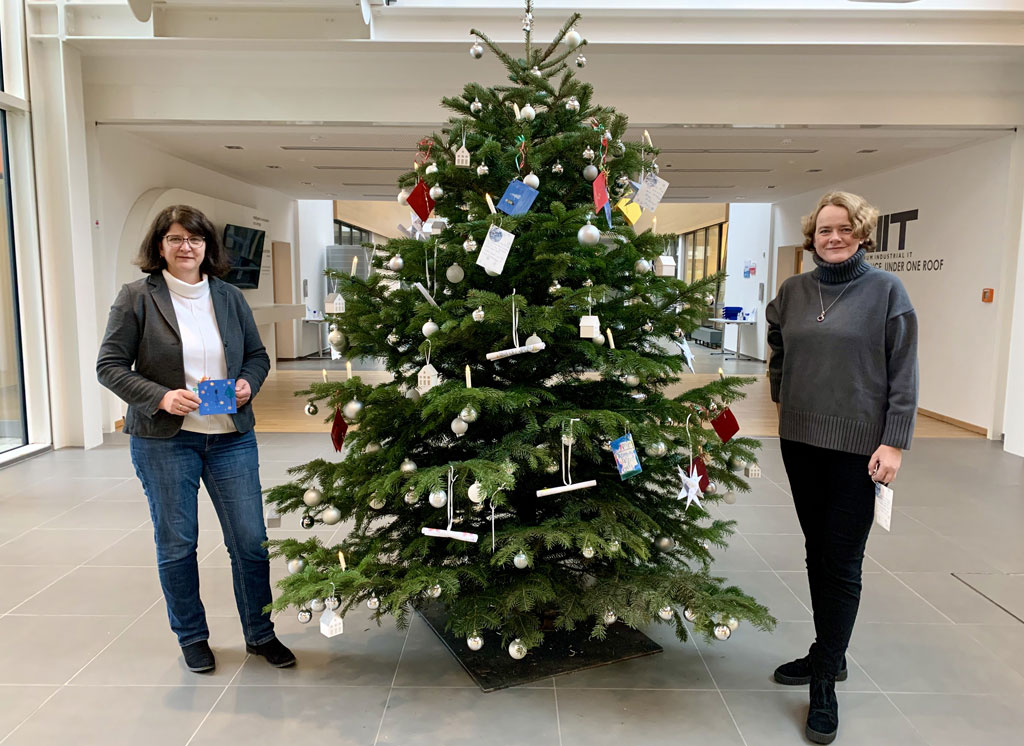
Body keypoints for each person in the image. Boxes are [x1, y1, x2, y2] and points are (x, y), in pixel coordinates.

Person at [97, 205, 295, 673]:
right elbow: (109, 366)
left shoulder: (228, 296)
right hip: (166, 441)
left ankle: (260, 633)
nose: (186, 247)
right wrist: (162, 398)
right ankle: (192, 637)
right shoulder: (136, 298)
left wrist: (248, 382)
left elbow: (257, 356)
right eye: (175, 239)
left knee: (250, 540)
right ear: (159, 246)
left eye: (195, 239)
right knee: (178, 543)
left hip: (230, 436)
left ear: (208, 247)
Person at [765, 191, 918, 744]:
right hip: (800, 441)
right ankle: (826, 650)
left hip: (859, 448)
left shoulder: (885, 292)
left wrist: (894, 442)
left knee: (843, 560)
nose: (833, 238)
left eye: (844, 230)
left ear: (862, 234)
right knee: (816, 550)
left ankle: (825, 678)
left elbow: (904, 372)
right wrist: (781, 392)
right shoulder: (793, 291)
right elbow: (777, 339)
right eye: (824, 230)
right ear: (812, 236)